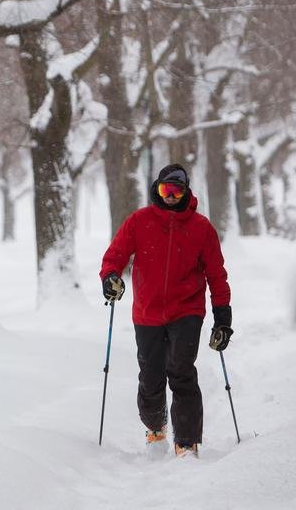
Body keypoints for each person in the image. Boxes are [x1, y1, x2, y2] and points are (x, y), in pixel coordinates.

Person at [99, 163, 233, 458]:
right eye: (165, 189)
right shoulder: (139, 221)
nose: (170, 196)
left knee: (182, 372)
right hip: (146, 312)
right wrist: (110, 277)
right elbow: (114, 256)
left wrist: (222, 317)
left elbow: (217, 276)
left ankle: (186, 442)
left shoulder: (201, 228)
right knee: (150, 376)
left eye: (177, 190)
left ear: (186, 193)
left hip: (187, 310)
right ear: (157, 190)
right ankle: (155, 427)